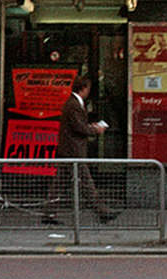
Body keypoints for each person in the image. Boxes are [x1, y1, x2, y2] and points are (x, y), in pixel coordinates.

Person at [44, 75, 118, 224]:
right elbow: (79, 127)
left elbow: (78, 125)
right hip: (73, 152)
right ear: (83, 88)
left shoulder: (75, 103)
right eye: (88, 88)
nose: (89, 91)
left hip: (68, 151)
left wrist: (91, 126)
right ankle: (102, 212)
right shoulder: (73, 105)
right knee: (86, 182)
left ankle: (49, 214)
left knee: (59, 184)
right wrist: (95, 129)